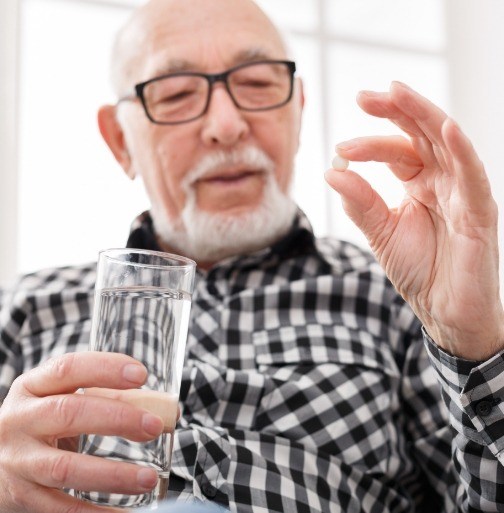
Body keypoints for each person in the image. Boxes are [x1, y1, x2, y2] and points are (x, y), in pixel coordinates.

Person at [0, 0, 503, 511]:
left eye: (259, 85)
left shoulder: (399, 297)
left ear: (298, 111)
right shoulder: (22, 311)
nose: (227, 125)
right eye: (175, 94)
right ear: (120, 141)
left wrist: (473, 341)